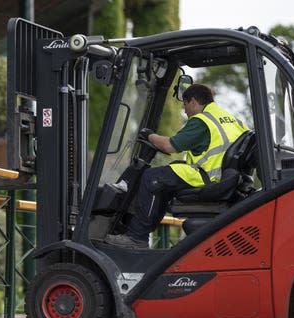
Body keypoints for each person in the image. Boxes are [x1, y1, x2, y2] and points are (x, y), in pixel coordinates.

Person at [105, 84, 249, 249]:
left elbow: (169, 146)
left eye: (185, 105)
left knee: (152, 178)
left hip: (209, 178)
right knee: (168, 176)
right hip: (225, 178)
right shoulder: (231, 119)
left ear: (193, 102)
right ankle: (142, 229)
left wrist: (149, 136)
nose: (186, 111)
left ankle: (137, 237)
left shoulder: (202, 121)